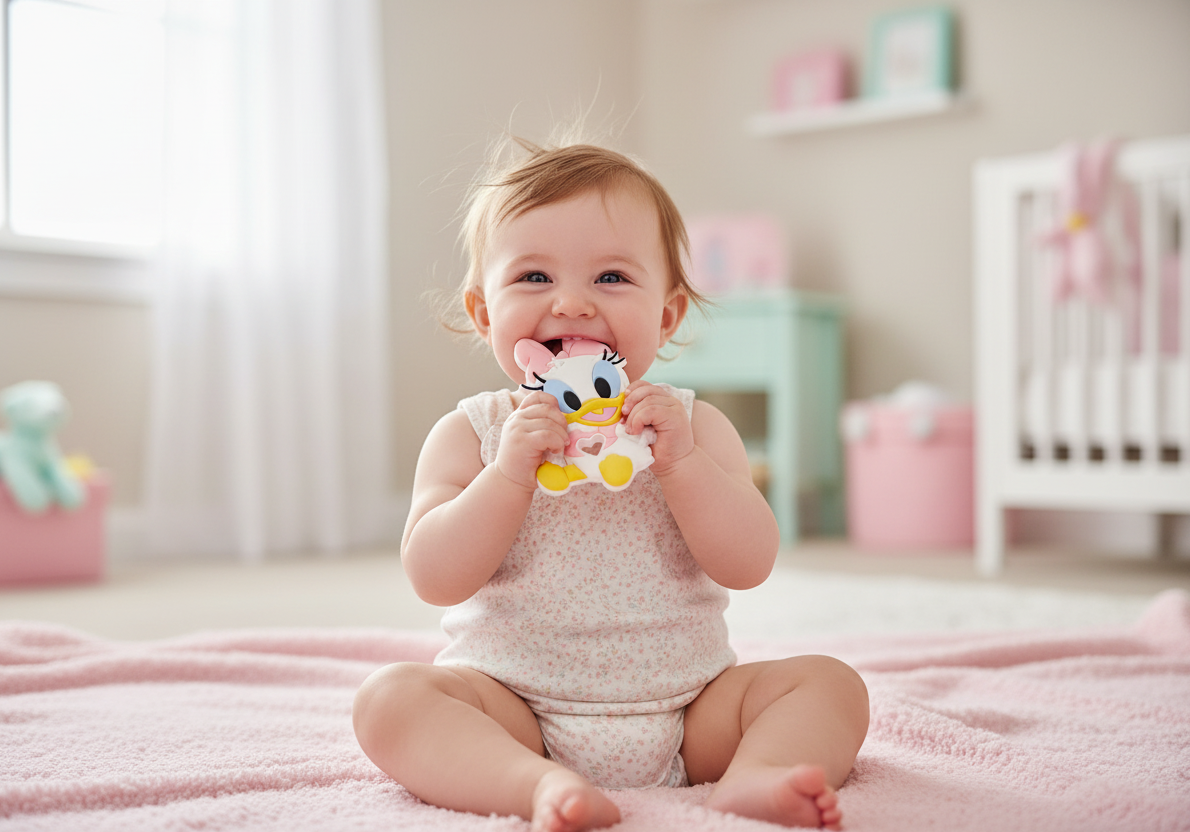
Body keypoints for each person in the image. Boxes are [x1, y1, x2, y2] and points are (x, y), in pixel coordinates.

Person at [353, 136, 869, 832]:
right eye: (534, 278)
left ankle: (756, 777)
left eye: (612, 278)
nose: (571, 303)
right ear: (483, 313)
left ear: (666, 315)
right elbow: (434, 576)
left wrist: (681, 464)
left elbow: (749, 564)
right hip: (515, 707)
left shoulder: (695, 427)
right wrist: (508, 475)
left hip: (692, 710)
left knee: (832, 686)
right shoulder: (471, 434)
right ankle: (532, 786)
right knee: (389, 701)